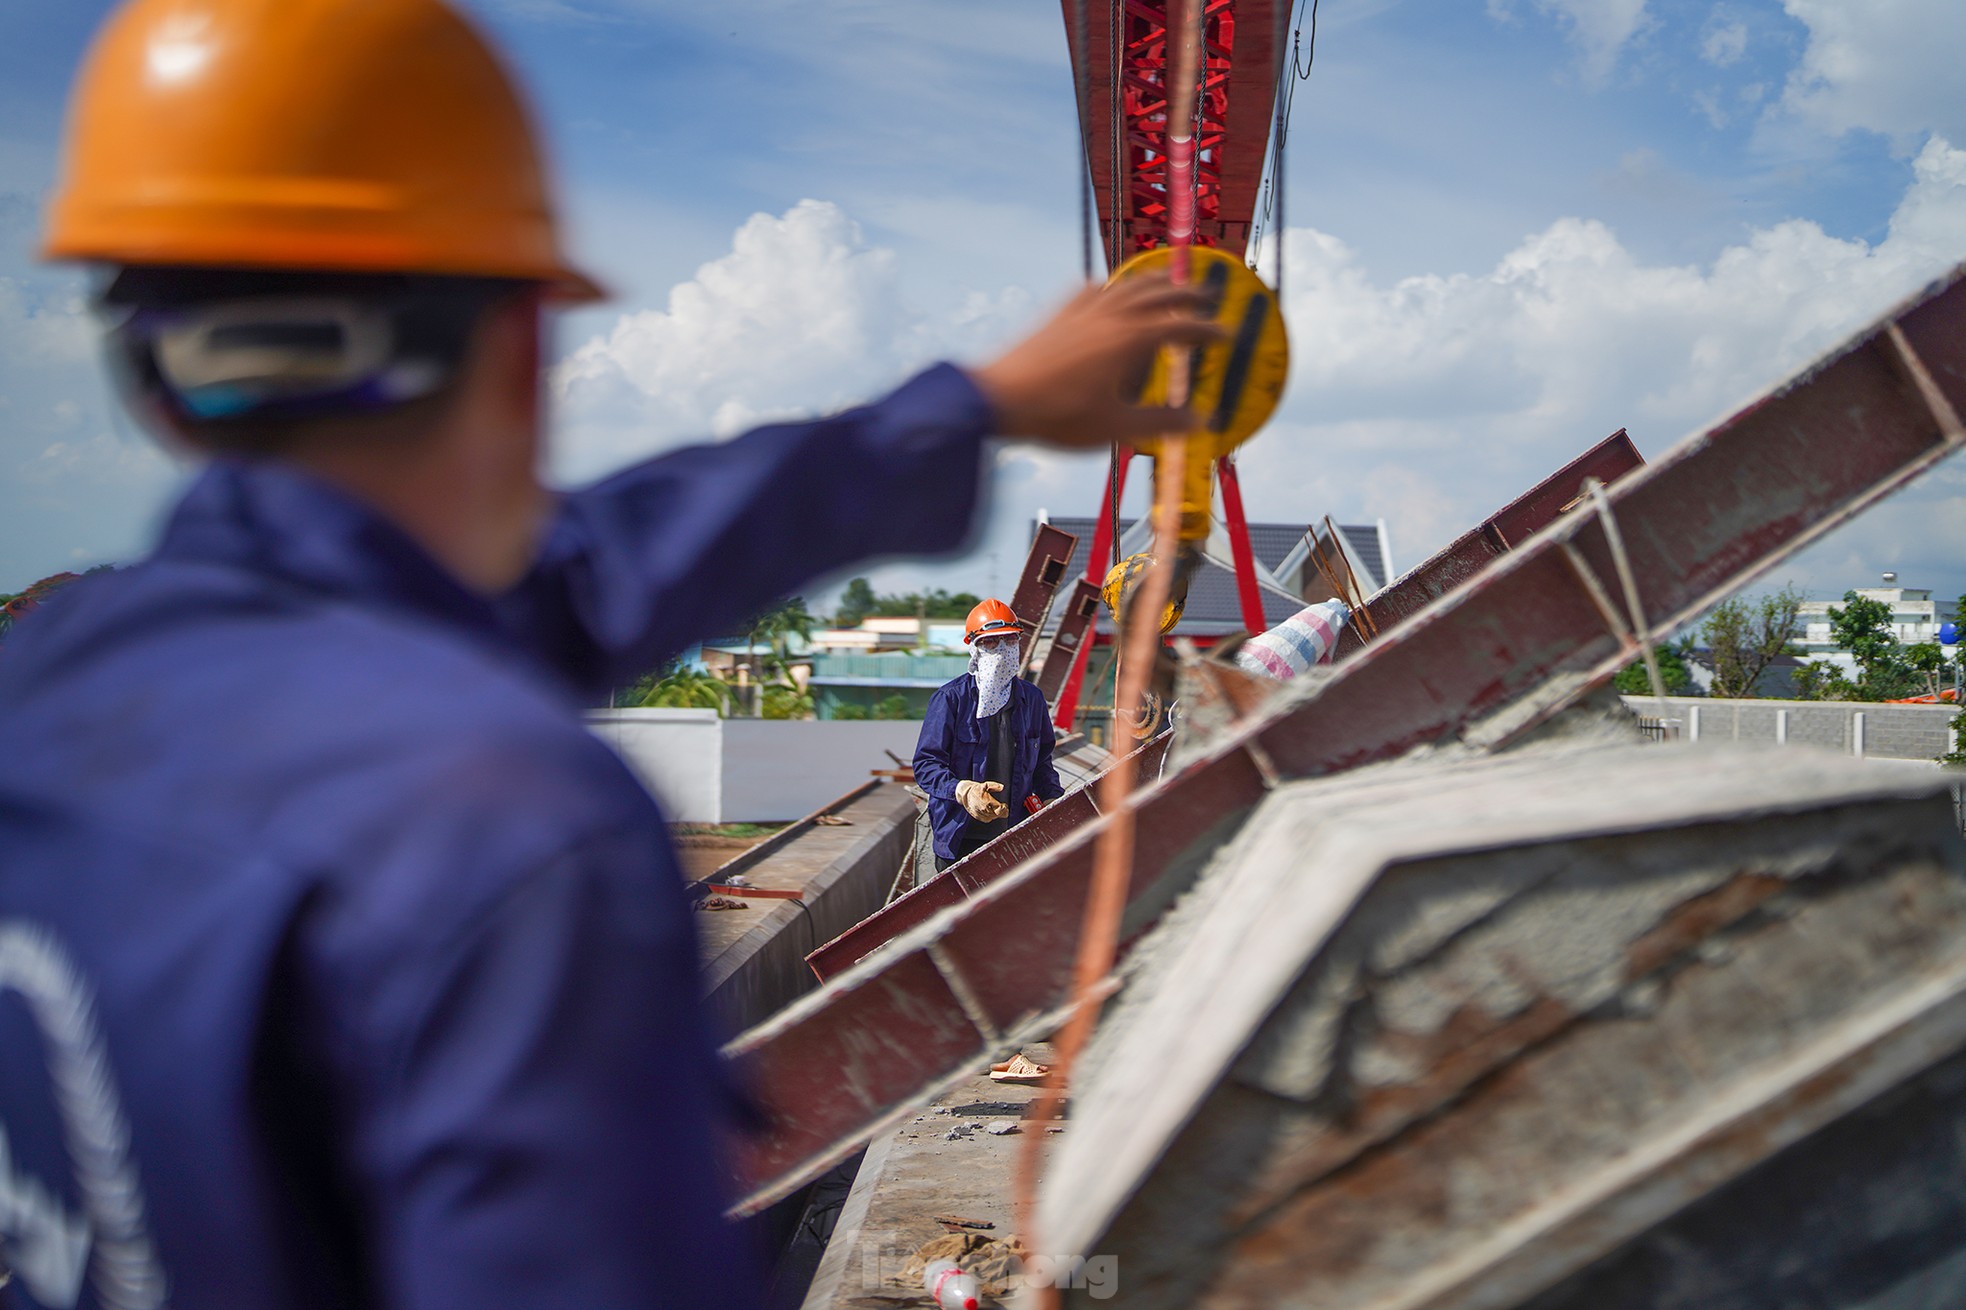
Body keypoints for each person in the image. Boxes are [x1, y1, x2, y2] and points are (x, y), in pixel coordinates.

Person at [0, 0, 1218, 1306]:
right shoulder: (505, 836)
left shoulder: (51, 679)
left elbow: (579, 574)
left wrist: (971, 408)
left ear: (147, 370)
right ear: (525, 348)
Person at [913, 599, 1066, 872]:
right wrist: (962, 790)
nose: (1003, 650)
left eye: (1009, 640)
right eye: (991, 643)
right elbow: (926, 765)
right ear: (974, 648)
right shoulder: (951, 699)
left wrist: (1052, 798)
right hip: (960, 839)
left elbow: (1043, 759)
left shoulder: (1031, 699)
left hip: (1015, 835)